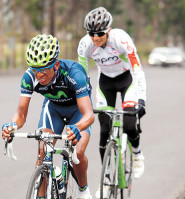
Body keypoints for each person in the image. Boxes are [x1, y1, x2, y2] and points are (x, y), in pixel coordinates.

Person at [2, 34, 94, 199]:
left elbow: (88, 115)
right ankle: (42, 196)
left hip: (77, 110)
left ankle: (83, 189)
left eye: (43, 69)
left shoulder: (74, 73)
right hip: (54, 109)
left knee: (78, 151)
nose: (39, 75)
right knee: (43, 150)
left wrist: (78, 127)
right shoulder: (29, 77)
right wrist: (12, 125)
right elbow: (21, 113)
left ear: (56, 65)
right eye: (35, 69)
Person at [77, 7, 147, 198]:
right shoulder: (85, 45)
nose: (95, 37)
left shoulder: (121, 39)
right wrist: (83, 103)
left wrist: (142, 99)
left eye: (99, 33)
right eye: (91, 33)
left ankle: (138, 153)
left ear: (108, 30)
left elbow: (137, 69)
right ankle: (107, 179)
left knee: (131, 122)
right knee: (105, 129)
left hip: (127, 81)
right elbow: (81, 77)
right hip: (105, 83)